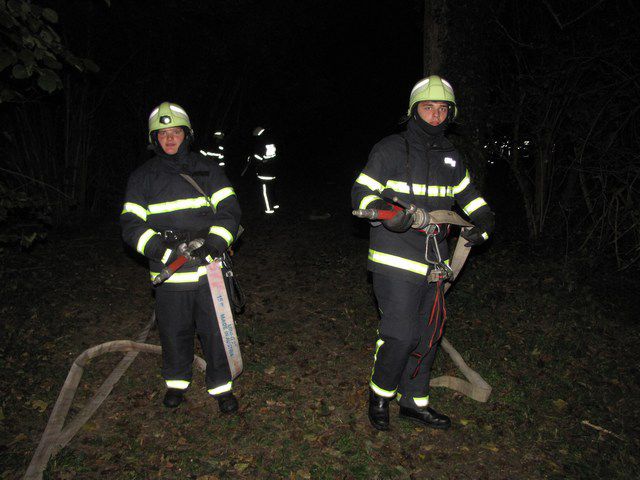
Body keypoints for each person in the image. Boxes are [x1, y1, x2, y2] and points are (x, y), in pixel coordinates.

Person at [351, 75, 495, 431]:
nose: (436, 115)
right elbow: (361, 194)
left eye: (442, 109)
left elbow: (470, 198)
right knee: (400, 333)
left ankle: (415, 402)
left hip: (436, 261)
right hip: (393, 257)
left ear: (450, 114)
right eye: (429, 108)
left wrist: (485, 220)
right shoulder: (389, 148)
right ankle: (380, 395)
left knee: (428, 333)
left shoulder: (451, 156)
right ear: (414, 111)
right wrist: (391, 216)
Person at [120, 102, 242, 413]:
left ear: (186, 135)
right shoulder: (142, 178)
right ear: (154, 139)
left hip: (210, 270)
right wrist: (161, 251)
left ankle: (222, 387)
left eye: (175, 132)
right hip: (169, 273)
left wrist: (215, 243)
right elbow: (131, 224)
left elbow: (230, 211)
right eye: (163, 134)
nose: (169, 139)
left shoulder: (207, 169)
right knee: (174, 331)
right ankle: (176, 383)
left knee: (216, 330)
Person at [247, 126, 280, 214]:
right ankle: (275, 205)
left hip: (264, 172)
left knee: (265, 192)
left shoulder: (260, 143)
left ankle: (269, 210)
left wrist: (252, 157)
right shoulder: (271, 142)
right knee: (272, 189)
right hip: (272, 171)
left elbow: (258, 156)